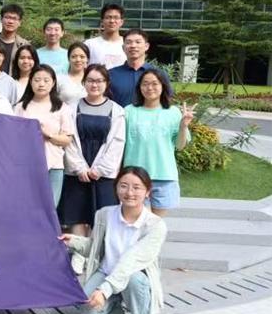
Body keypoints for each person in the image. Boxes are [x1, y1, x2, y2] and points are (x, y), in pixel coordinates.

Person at [59, 166, 167, 314]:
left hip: (134, 276)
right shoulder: (105, 214)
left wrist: (104, 290)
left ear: (147, 192)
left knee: (133, 279)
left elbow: (131, 261)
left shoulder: (155, 225)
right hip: (106, 271)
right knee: (85, 306)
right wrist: (73, 241)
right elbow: (95, 247)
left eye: (137, 187)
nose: (129, 192)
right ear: (116, 188)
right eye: (123, 186)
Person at [59, 64, 126, 240]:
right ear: (84, 82)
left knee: (102, 220)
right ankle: (78, 253)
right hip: (77, 173)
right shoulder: (71, 108)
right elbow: (69, 140)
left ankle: (96, 253)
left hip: (103, 174)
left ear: (107, 83)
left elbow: (117, 143)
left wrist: (100, 169)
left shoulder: (117, 111)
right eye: (90, 80)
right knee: (77, 217)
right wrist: (79, 168)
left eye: (99, 81)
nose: (94, 85)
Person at [124, 69, 193, 216]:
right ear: (139, 87)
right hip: (135, 177)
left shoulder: (173, 112)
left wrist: (183, 126)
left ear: (163, 86)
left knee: (156, 225)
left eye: (155, 84)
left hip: (164, 177)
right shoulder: (128, 111)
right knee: (137, 222)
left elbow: (180, 146)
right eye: (145, 84)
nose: (150, 88)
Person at [13, 64, 74, 207]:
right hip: (25, 164)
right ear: (30, 82)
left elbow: (67, 139)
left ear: (53, 83)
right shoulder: (20, 107)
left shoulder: (62, 107)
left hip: (54, 164)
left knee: (50, 207)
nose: (41, 84)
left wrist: (48, 135)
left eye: (46, 80)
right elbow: (13, 137)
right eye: (37, 80)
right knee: (26, 206)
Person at [110, 29, 172, 107]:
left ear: (146, 46)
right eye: (128, 42)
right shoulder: (111, 74)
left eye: (138, 42)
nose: (133, 46)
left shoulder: (159, 74)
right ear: (123, 48)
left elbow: (166, 99)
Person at [0, 4, 29, 74]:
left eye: (14, 18)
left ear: (20, 22)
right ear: (1, 19)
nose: (10, 21)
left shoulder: (25, 45)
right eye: (7, 17)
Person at [85, 4, 126, 70]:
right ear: (102, 21)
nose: (112, 21)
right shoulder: (89, 44)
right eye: (108, 17)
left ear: (121, 22)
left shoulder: (127, 44)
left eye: (116, 18)